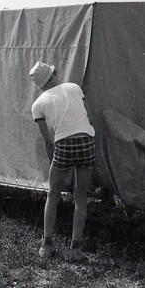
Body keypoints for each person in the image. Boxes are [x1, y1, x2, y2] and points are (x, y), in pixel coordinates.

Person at [29, 61, 96, 261]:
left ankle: (46, 246)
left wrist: (54, 163)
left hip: (63, 144)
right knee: (81, 198)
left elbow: (48, 141)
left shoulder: (37, 105)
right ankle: (75, 249)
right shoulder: (73, 88)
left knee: (53, 194)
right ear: (53, 76)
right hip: (86, 140)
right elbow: (89, 118)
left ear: (40, 85)